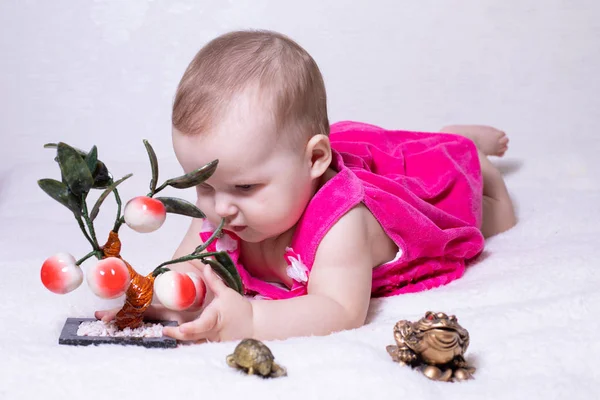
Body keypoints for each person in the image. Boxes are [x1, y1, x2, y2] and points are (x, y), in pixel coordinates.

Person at [96, 30, 516, 343]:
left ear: (315, 160)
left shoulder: (341, 224)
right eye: (202, 185)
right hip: (315, 156)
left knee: (489, 212)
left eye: (245, 186)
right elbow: (185, 266)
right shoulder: (223, 205)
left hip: (406, 192)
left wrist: (253, 322)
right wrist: (158, 297)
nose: (220, 208)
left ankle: (465, 148)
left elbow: (341, 309)